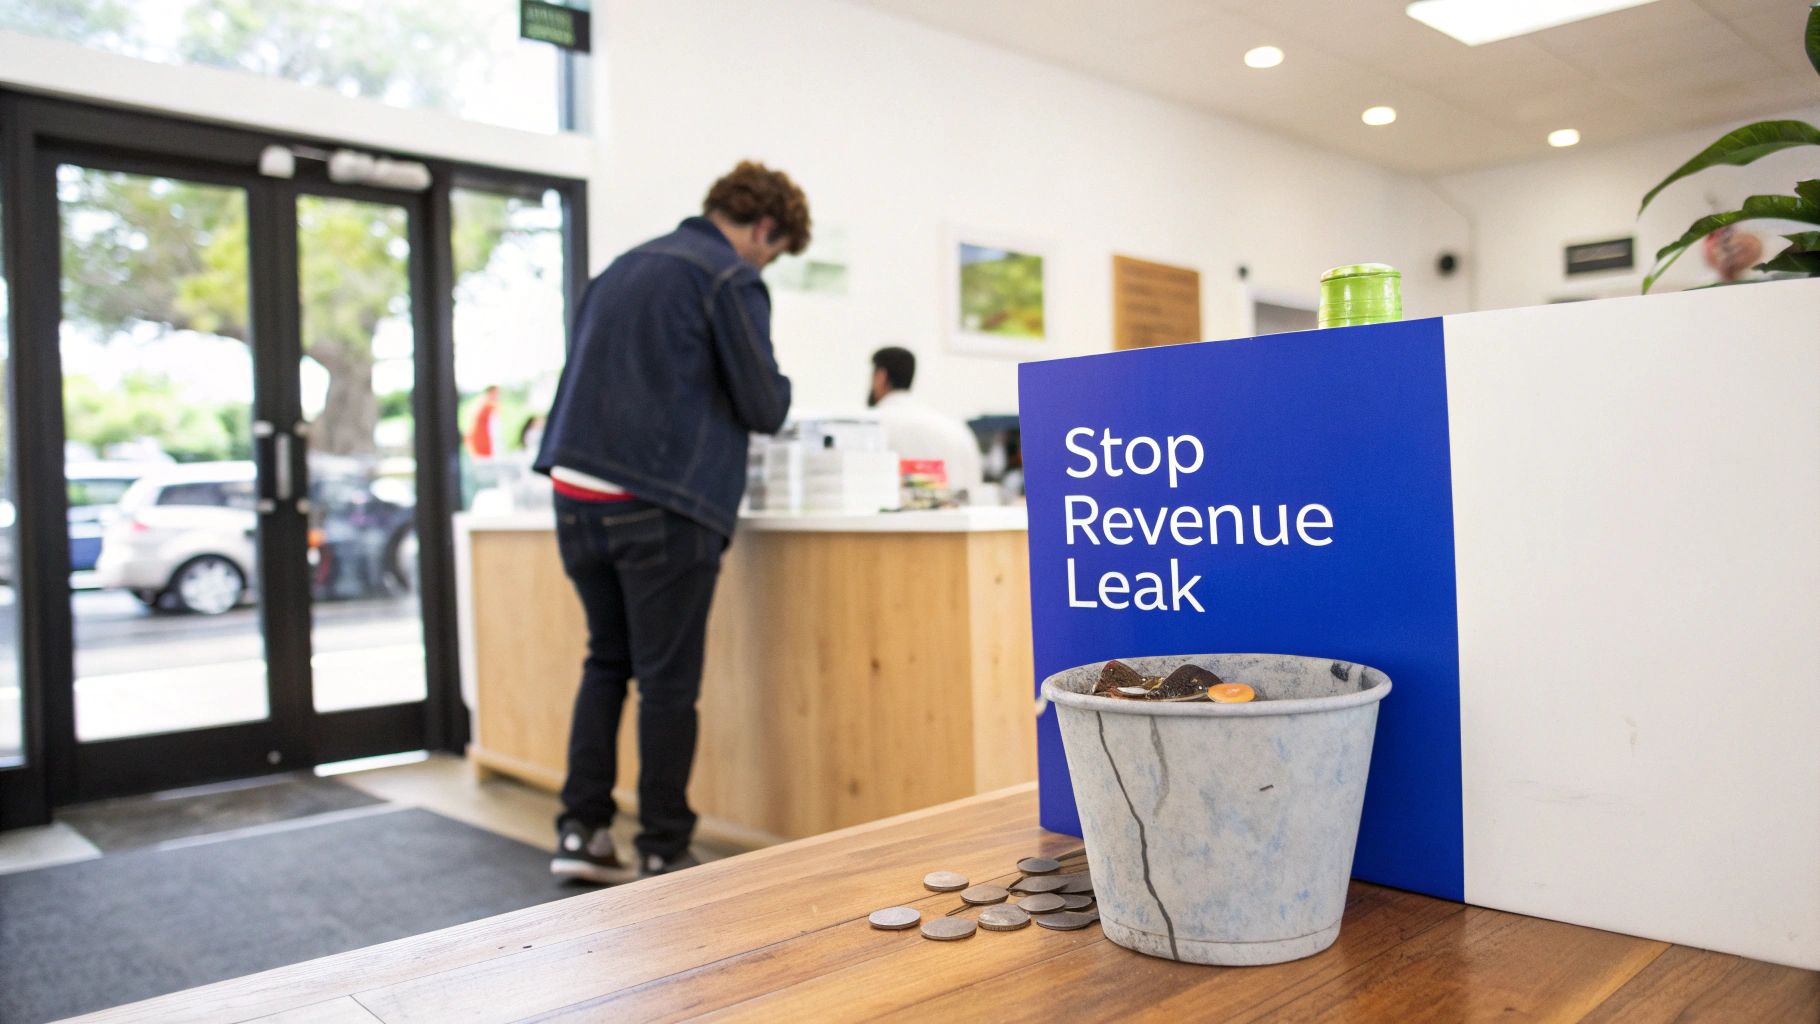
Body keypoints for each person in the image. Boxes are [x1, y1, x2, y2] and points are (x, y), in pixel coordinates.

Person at [534, 161, 809, 884]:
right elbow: (763, 404)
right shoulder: (728, 277)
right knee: (666, 683)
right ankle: (662, 848)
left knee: (606, 662)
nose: (765, 262)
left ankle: (581, 833)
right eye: (773, 252)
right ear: (764, 228)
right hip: (660, 504)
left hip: (574, 494)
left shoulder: (621, 268)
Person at [867, 346, 984, 499]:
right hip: (955, 520)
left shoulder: (870, 427)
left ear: (880, 377)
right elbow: (974, 487)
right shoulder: (954, 428)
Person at [466, 385, 501, 457]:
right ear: (490, 393)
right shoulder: (487, 405)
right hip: (481, 442)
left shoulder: (482, 404)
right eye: (496, 393)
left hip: (482, 443)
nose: (498, 396)